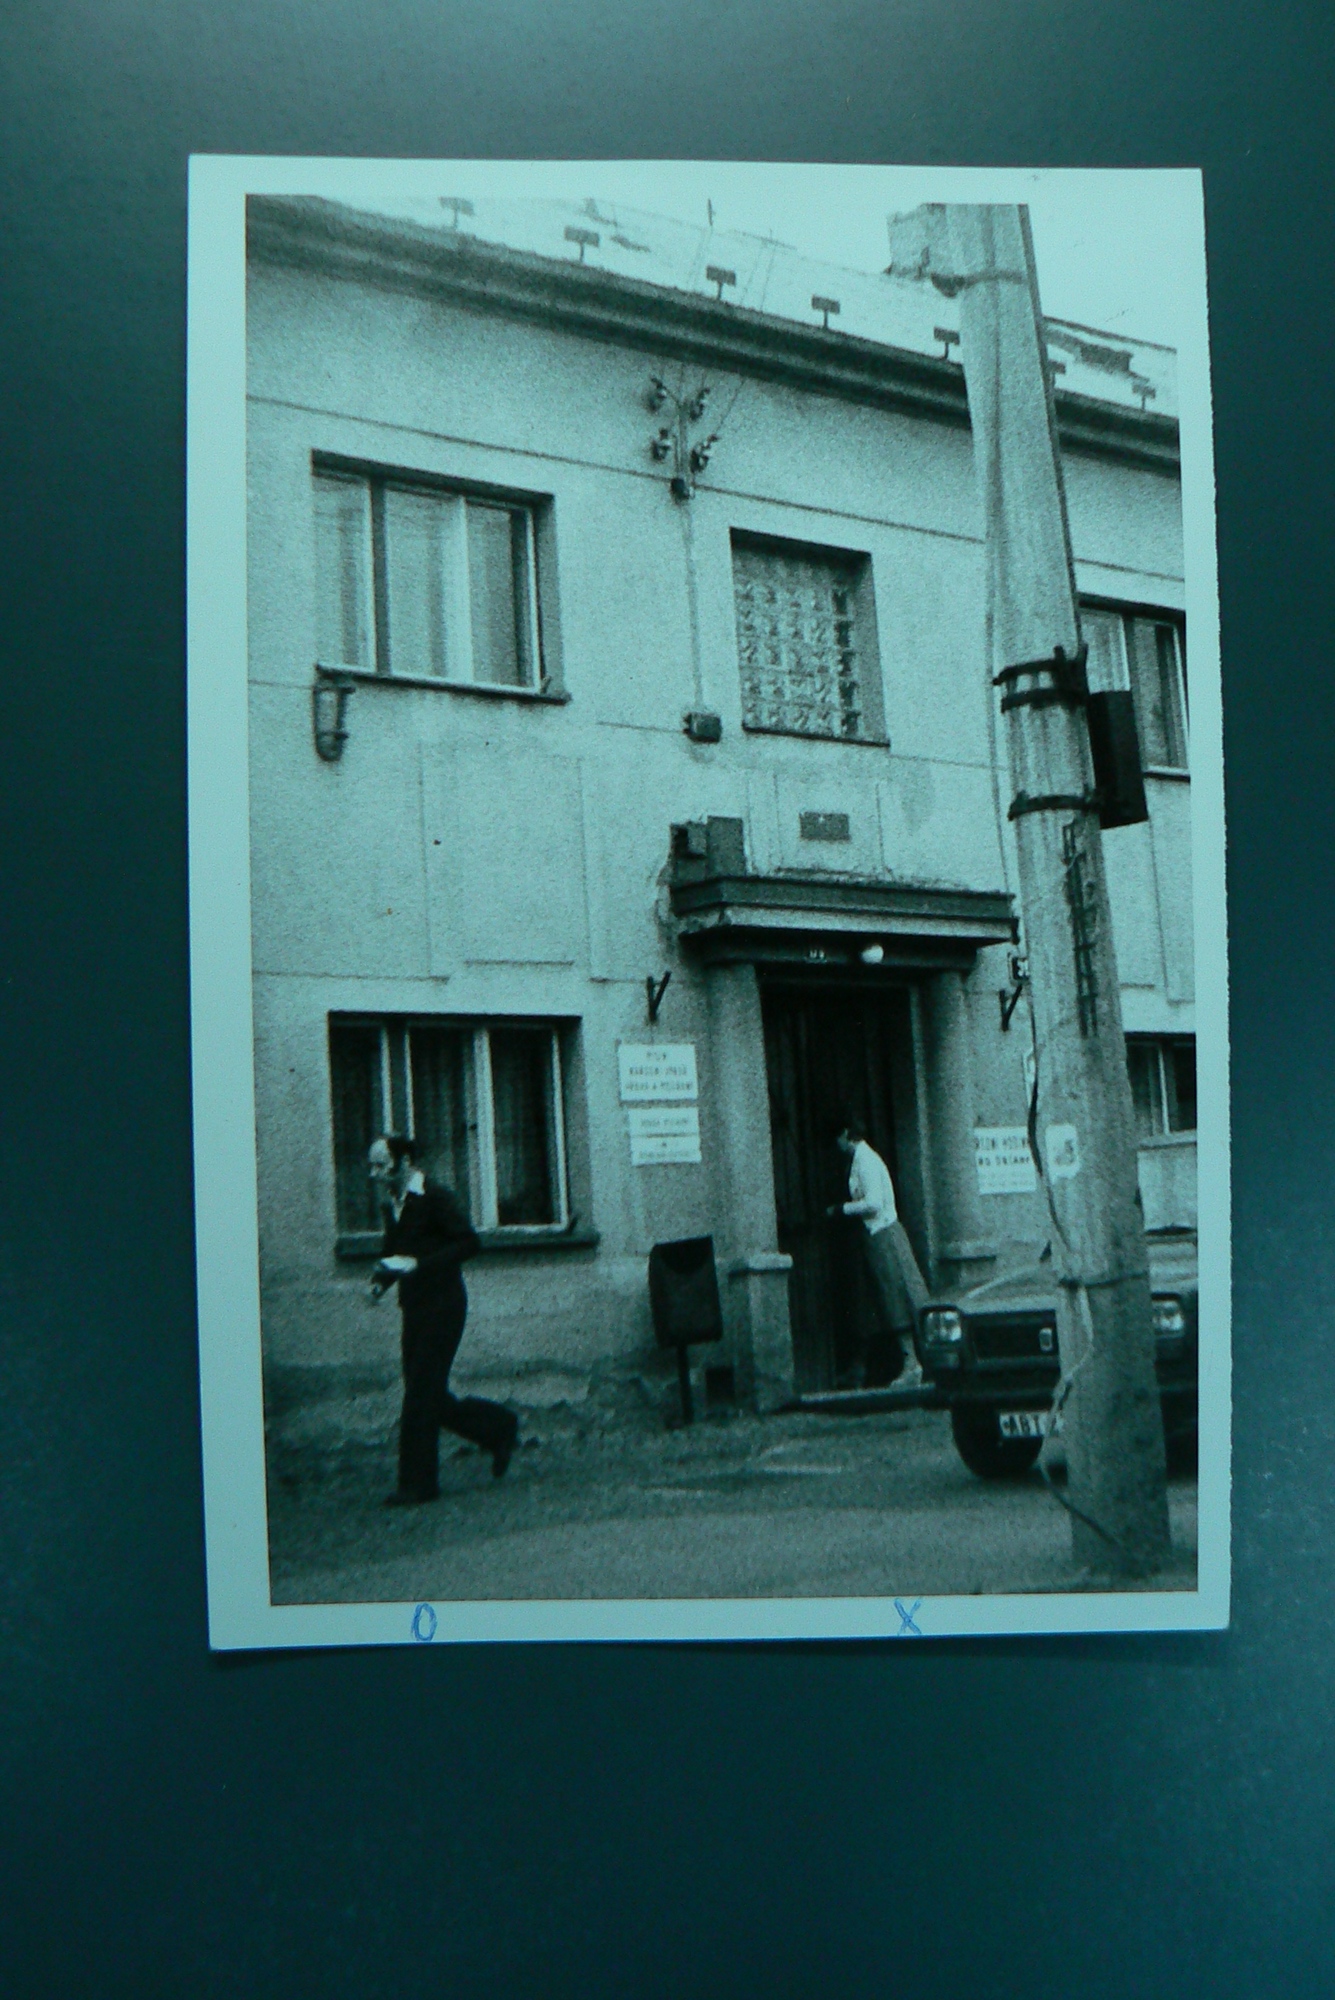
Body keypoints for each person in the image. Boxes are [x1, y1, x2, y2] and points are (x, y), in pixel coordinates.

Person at [368, 1133, 519, 1505]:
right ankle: (498, 1428)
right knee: (428, 1393)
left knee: (420, 1395)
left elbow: (469, 1242)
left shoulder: (435, 1197)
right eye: (372, 1166)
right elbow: (395, 1250)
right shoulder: (394, 1202)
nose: (374, 1174)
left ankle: (417, 1485)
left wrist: (419, 1265)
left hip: (444, 1306)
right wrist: (380, 1282)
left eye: (381, 1166)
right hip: (414, 1306)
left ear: (404, 1163)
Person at [831, 1118, 926, 1391]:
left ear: (846, 1133)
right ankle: (861, 1367)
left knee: (897, 1299)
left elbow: (873, 1203)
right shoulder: (858, 1160)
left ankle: (913, 1363)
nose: (836, 1145)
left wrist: (842, 1209)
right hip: (872, 1239)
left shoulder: (867, 1161)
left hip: (884, 1236)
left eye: (837, 1138)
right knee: (879, 1303)